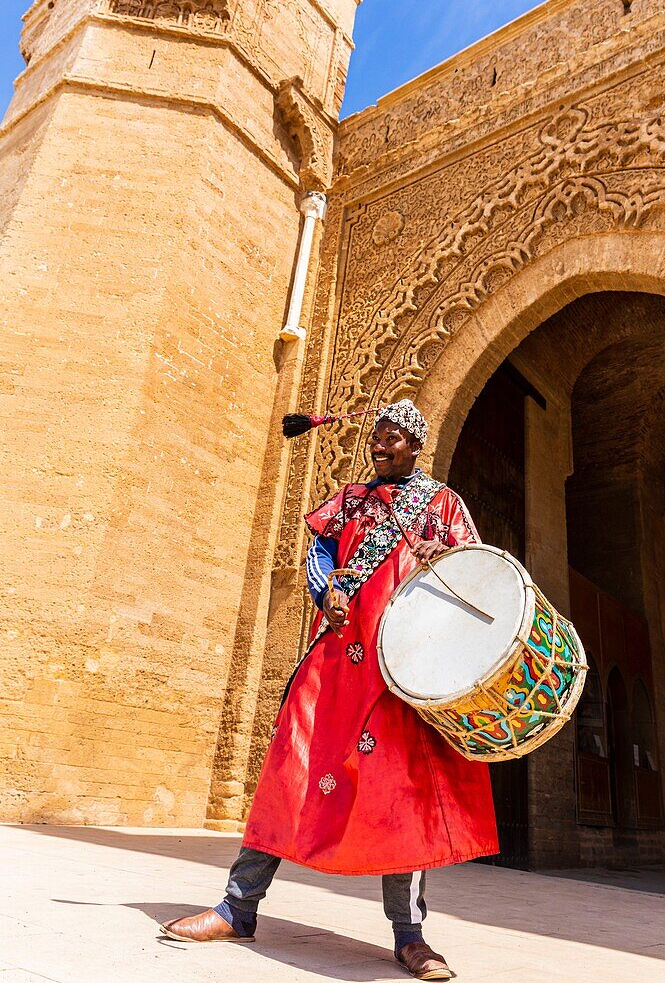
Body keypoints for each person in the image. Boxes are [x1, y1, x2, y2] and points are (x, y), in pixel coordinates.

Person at [161, 400, 498, 980]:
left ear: (417, 447)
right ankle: (237, 908)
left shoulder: (441, 503)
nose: (380, 446)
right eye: (377, 437)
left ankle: (410, 937)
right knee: (287, 766)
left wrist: (435, 555)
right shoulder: (350, 500)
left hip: (397, 670)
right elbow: (319, 549)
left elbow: (470, 568)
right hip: (337, 658)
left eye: (393, 438)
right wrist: (325, 593)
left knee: (401, 791)